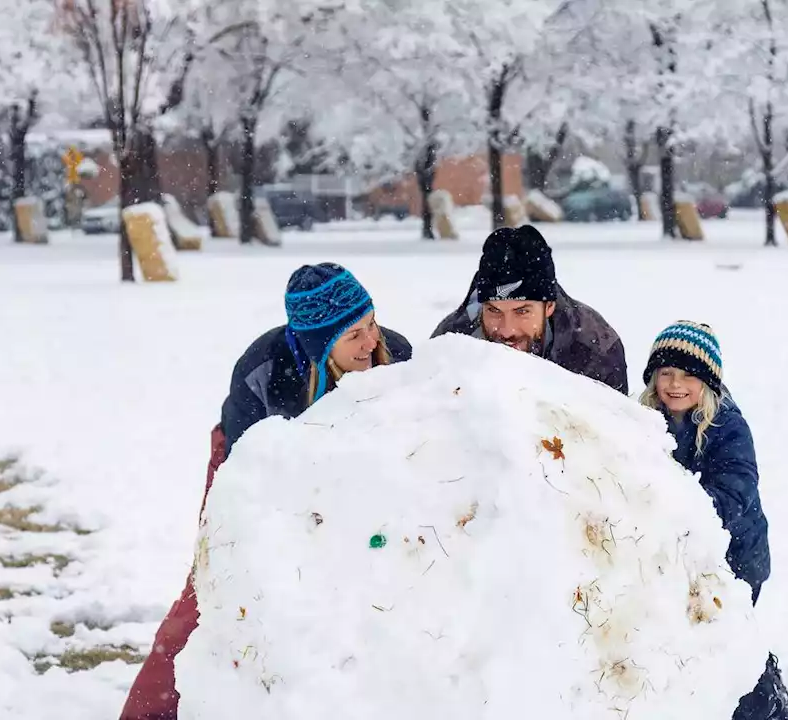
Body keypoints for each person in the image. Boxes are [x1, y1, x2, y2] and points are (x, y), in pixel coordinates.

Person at [120, 263, 412, 720]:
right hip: (251, 466)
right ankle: (151, 712)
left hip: (352, 475)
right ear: (320, 344)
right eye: (354, 335)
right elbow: (249, 481)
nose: (372, 342)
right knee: (217, 591)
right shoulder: (262, 372)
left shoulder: (396, 356)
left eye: (371, 323)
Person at [639, 321, 788, 720]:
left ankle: (766, 705)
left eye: (688, 375)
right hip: (678, 555)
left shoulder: (727, 427)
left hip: (735, 559)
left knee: (724, 640)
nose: (675, 385)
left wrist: (663, 501)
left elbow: (733, 497)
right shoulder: (641, 419)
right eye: (666, 373)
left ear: (707, 382)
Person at [431, 224, 628, 394]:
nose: (507, 331)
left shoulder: (594, 348)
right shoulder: (449, 343)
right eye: (494, 311)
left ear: (549, 306)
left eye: (522, 311)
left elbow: (617, 431)